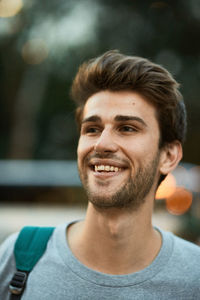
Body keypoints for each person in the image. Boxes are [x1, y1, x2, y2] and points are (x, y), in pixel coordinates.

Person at [0, 50, 200, 299]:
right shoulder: (17, 259)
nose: (102, 144)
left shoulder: (194, 276)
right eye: (92, 129)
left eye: (127, 128)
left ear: (168, 156)